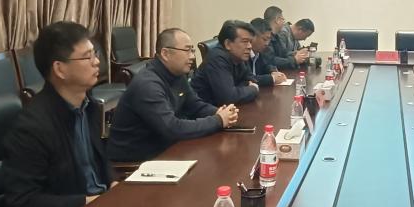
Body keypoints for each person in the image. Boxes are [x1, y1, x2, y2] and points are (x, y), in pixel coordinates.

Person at [3, 21, 114, 207]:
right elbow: (23, 202)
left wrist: (113, 183)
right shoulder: (32, 127)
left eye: (95, 53)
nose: (97, 62)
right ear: (60, 69)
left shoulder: (91, 107)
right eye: (87, 56)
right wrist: (87, 202)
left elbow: (100, 162)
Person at [107, 28, 240, 162]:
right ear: (165, 53)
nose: (192, 56)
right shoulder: (148, 85)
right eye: (187, 50)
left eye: (192, 50)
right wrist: (218, 120)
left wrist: (219, 112)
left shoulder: (176, 74)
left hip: (165, 148)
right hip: (137, 160)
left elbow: (195, 106)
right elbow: (172, 128)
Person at [191, 20, 260, 105]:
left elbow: (252, 79)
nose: (249, 46)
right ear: (227, 44)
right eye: (245, 41)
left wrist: (237, 89)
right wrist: (253, 89)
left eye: (250, 42)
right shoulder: (217, 58)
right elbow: (228, 98)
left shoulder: (239, 56)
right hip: (206, 109)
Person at [249, 17, 287, 87]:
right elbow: (248, 79)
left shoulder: (259, 53)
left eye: (269, 39)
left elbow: (265, 66)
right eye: (264, 39)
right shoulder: (243, 54)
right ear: (252, 37)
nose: (267, 43)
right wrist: (272, 78)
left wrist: (273, 71)